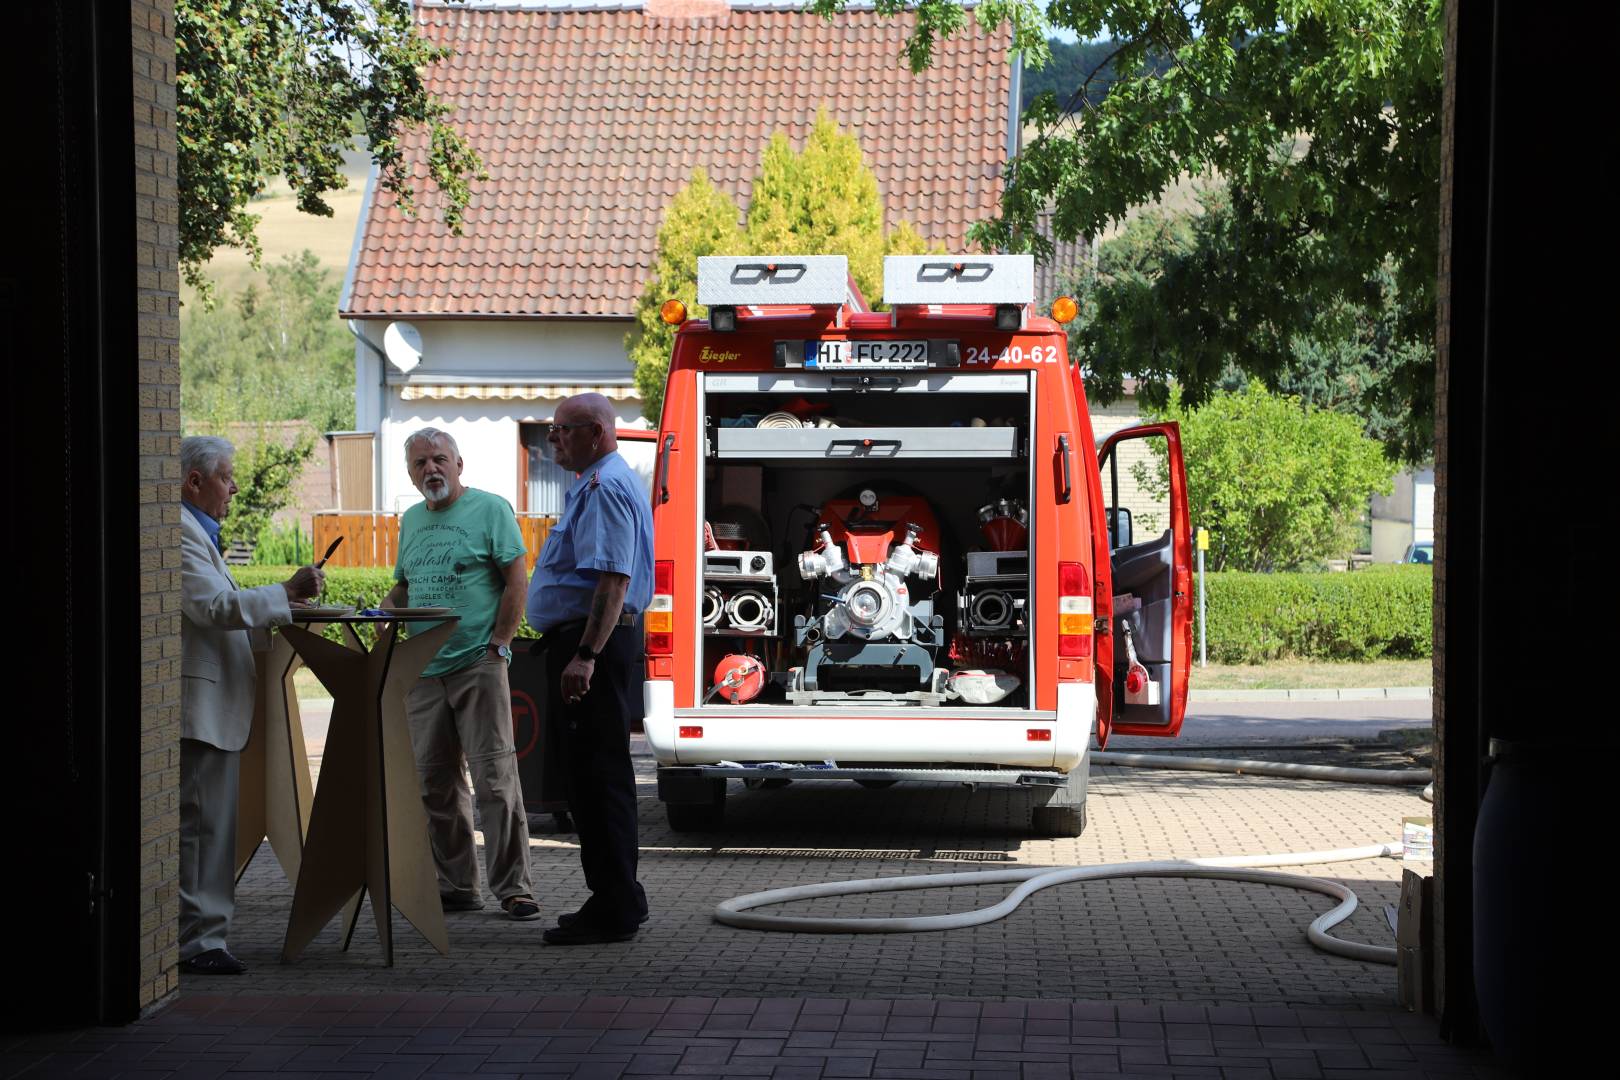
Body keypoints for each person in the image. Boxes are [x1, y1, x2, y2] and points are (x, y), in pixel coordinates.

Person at [179, 435, 324, 975]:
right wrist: (283, 594)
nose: (235, 487)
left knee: (211, 828)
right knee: (202, 831)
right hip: (202, 711)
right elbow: (211, 608)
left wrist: (284, 607)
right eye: (226, 477)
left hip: (215, 710)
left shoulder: (198, 533)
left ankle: (204, 937)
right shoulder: (180, 533)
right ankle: (198, 944)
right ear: (195, 481)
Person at [384, 428, 540, 921]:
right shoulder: (410, 521)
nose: (431, 469)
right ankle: (457, 885)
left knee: (495, 780)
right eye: (420, 464)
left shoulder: (491, 510)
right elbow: (404, 589)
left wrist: (499, 643)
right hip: (423, 671)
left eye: (439, 460)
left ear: (458, 464)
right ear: (411, 474)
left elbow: (517, 579)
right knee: (435, 784)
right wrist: (380, 612)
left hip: (477, 661)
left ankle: (514, 887)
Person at [526, 393, 654, 945]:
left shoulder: (603, 488)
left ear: (597, 432)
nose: (553, 439)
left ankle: (613, 908)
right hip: (590, 644)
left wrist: (585, 656)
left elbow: (612, 581)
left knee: (596, 782)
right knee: (598, 779)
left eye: (562, 430)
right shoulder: (595, 483)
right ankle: (620, 897)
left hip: (591, 646)